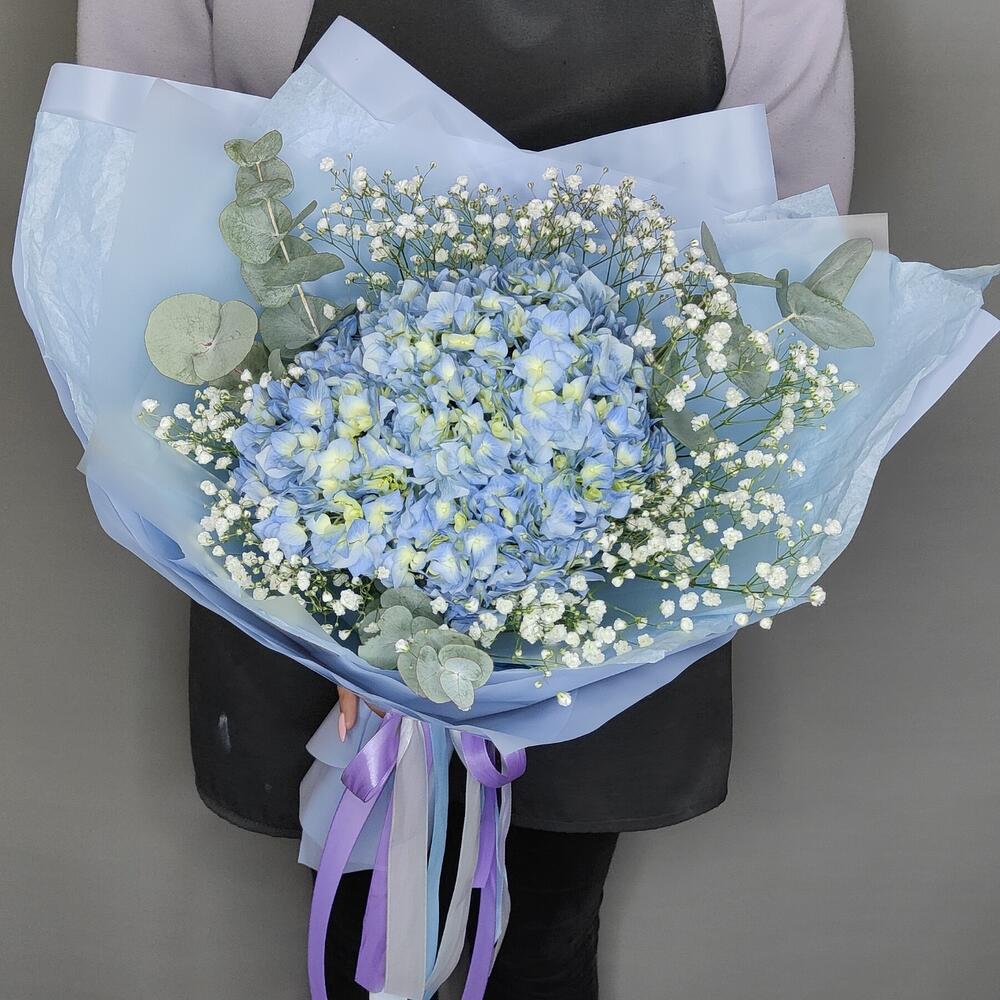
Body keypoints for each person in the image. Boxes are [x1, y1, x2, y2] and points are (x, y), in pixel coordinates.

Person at [77, 2, 856, 996]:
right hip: (316, 502)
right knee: (359, 923)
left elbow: (792, 223)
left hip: (619, 524)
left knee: (548, 930)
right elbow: (139, 169)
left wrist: (631, 467)